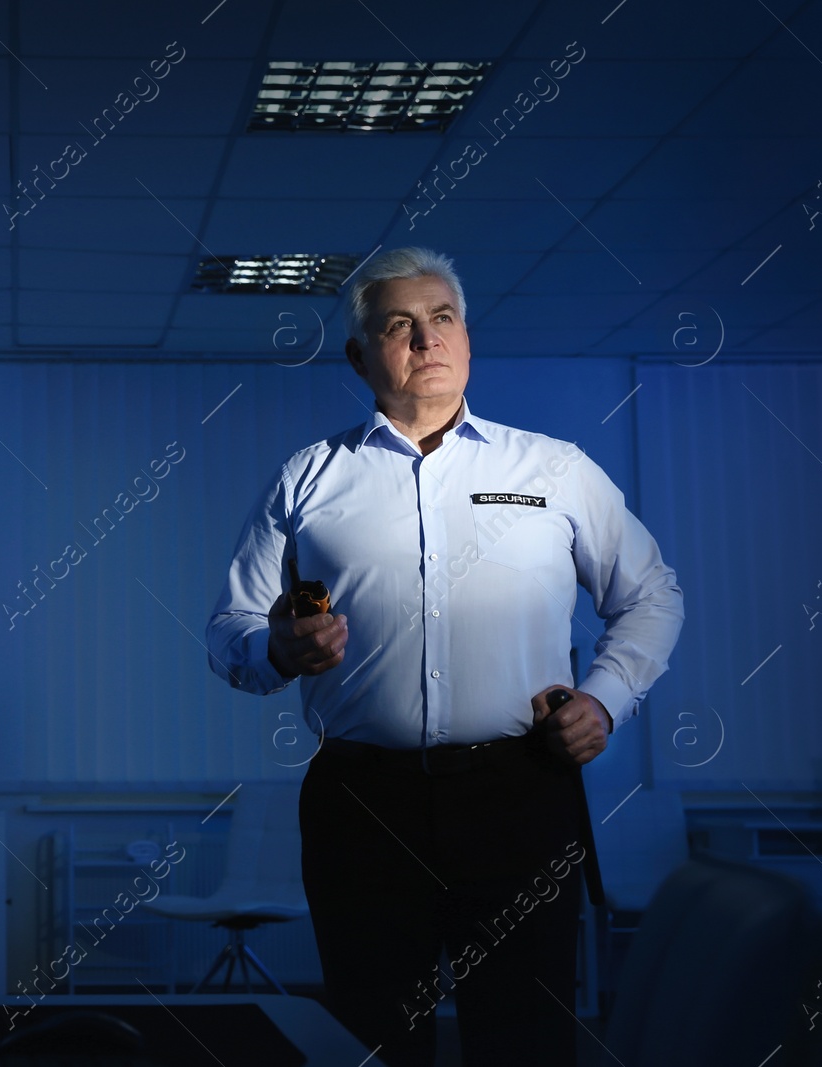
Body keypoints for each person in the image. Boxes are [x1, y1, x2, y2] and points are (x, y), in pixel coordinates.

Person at [204, 247, 683, 1067]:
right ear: (360, 358)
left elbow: (652, 594)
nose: (425, 338)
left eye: (442, 317)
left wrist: (604, 698)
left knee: (525, 1041)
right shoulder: (309, 479)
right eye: (397, 325)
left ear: (466, 337)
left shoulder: (554, 468)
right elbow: (229, 630)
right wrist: (276, 648)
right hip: (363, 806)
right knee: (371, 1041)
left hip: (520, 797)